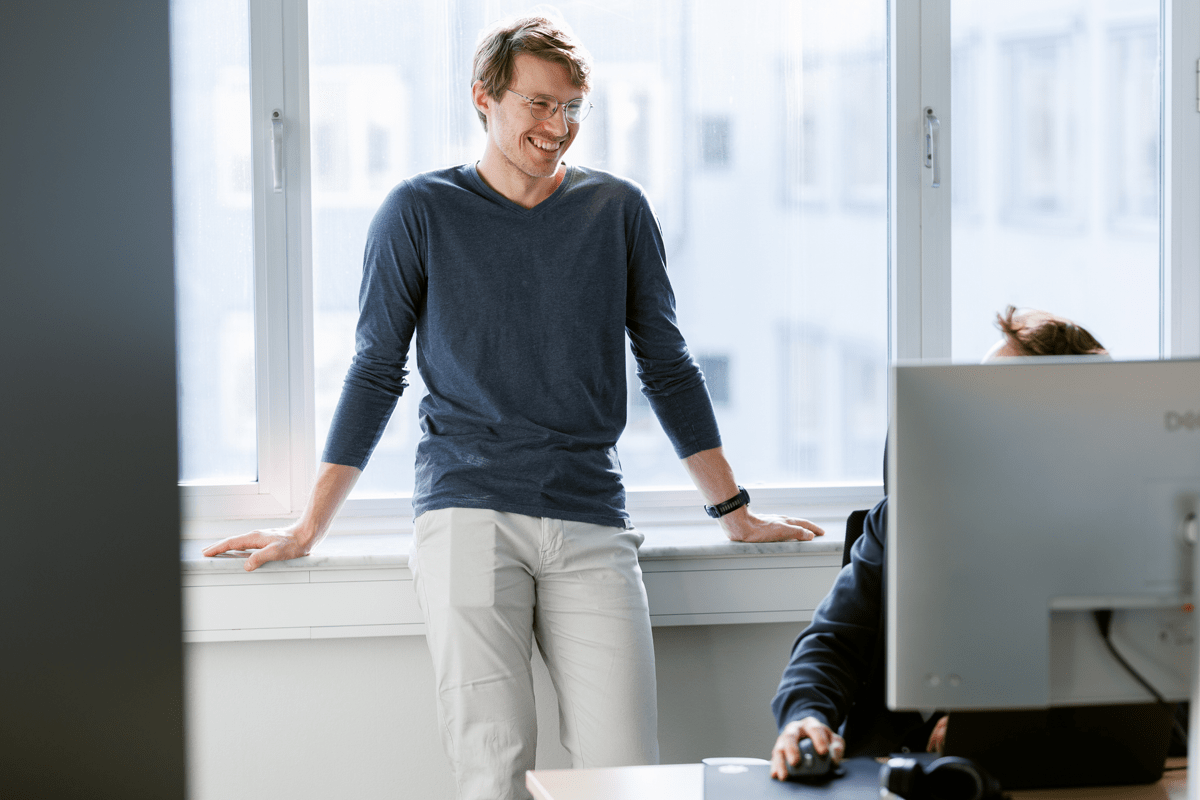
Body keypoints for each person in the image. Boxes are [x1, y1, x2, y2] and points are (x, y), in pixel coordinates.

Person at [203, 14, 824, 800]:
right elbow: (375, 372)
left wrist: (734, 512)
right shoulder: (418, 210)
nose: (557, 127)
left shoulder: (618, 211)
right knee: (492, 768)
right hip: (467, 511)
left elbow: (667, 366)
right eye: (538, 104)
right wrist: (308, 527)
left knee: (626, 771)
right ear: (484, 99)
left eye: (572, 108)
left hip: (589, 511)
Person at [769, 306, 1107, 781]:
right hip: (887, 770)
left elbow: (1145, 700)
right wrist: (805, 714)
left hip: (1035, 775)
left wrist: (995, 724)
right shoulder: (903, 519)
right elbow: (833, 642)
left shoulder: (1109, 539)